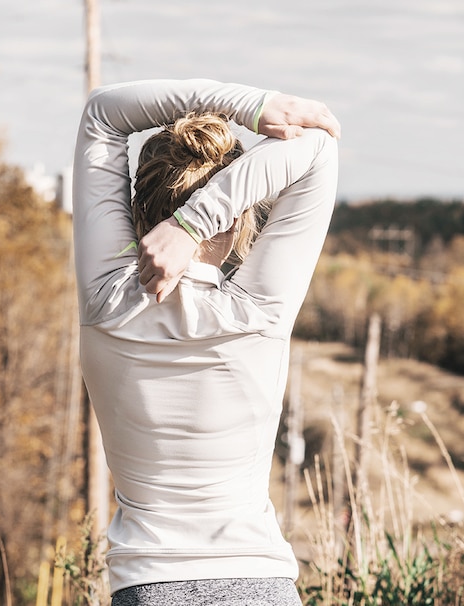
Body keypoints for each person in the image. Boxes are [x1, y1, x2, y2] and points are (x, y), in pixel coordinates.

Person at [71, 79, 340, 605]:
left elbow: (102, 114)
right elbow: (319, 147)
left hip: (148, 587)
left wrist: (250, 108)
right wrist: (194, 224)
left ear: (136, 204)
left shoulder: (106, 304)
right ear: (239, 215)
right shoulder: (257, 314)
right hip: (260, 586)